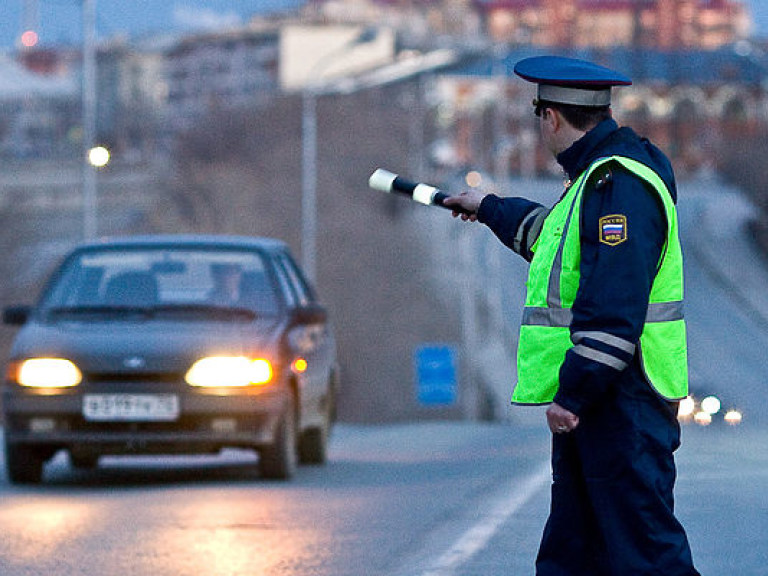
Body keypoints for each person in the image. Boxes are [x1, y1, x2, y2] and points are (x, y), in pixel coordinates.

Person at [443, 56, 700, 576]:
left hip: (621, 400)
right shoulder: (595, 181)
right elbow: (551, 240)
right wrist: (488, 206)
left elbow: (614, 305)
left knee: (645, 555)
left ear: (552, 117)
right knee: (576, 553)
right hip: (606, 405)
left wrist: (574, 393)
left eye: (538, 114)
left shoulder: (618, 186)